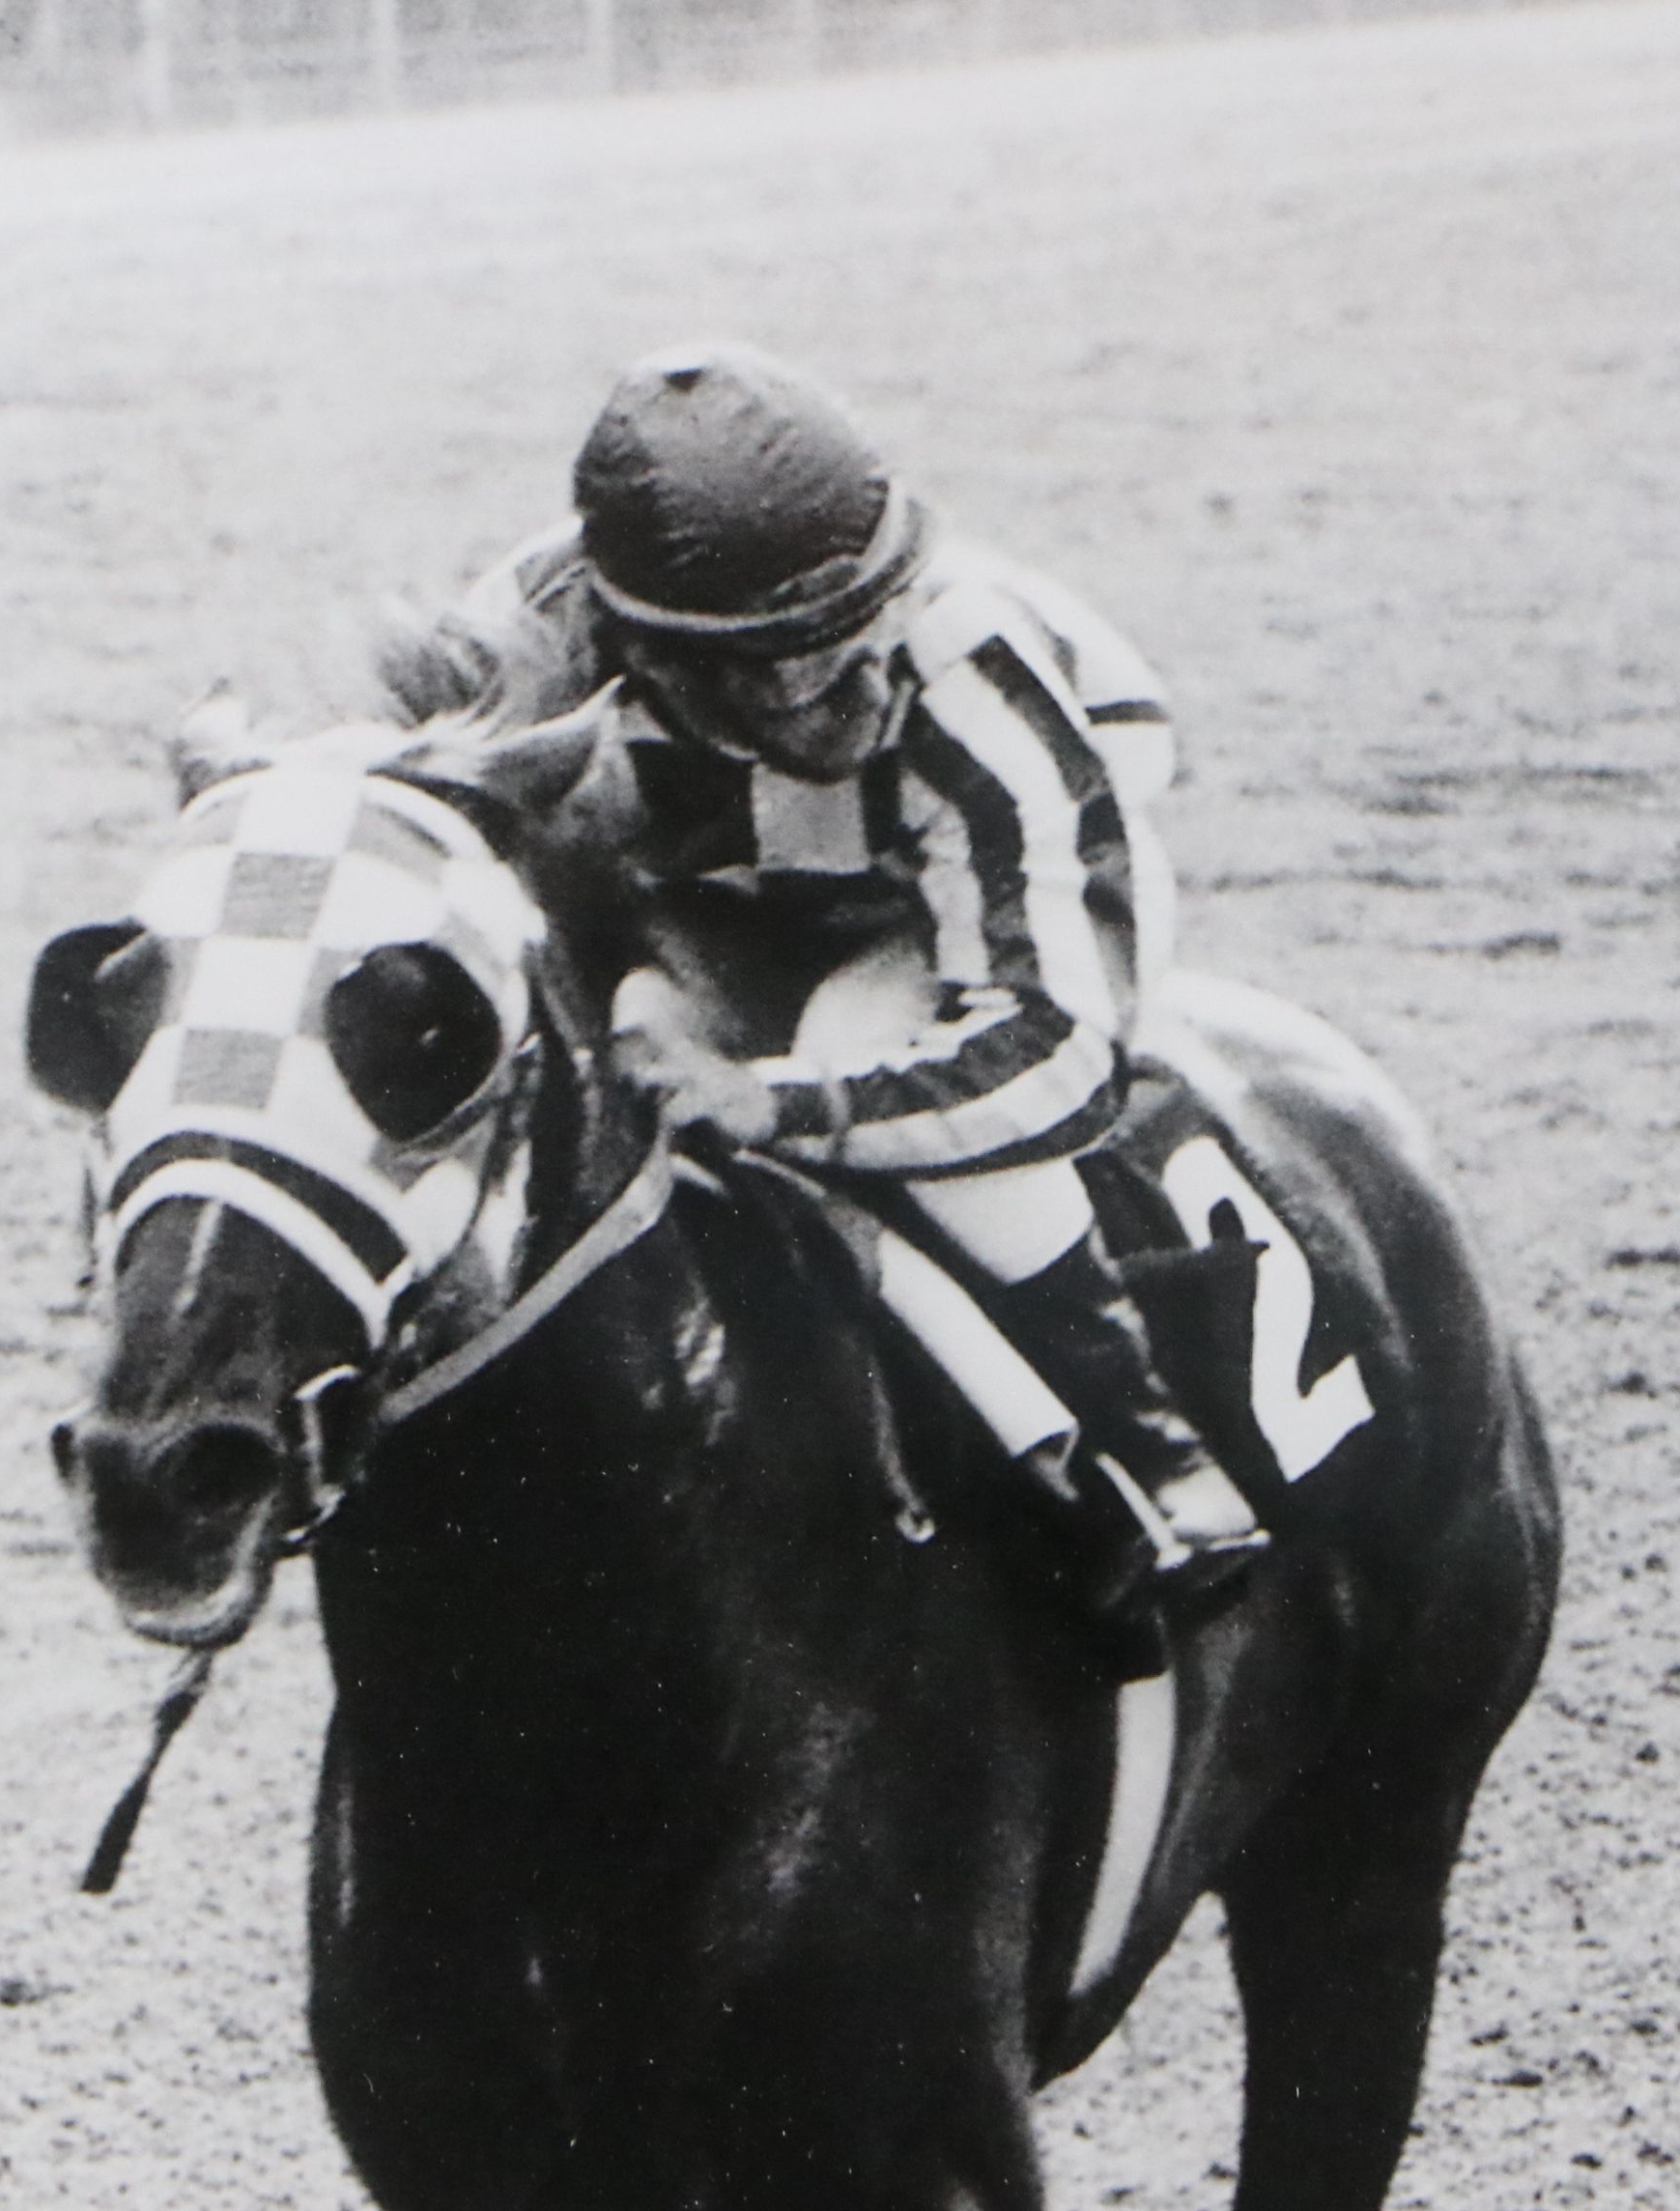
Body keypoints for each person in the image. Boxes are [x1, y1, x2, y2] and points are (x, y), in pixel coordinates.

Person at [384, 341, 1265, 1672]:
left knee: (859, 1038)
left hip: (938, 899)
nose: (838, 689)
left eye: (856, 627)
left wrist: (785, 1103)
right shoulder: (525, 646)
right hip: (695, 894)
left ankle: (1146, 1449)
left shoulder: (974, 670)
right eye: (769, 661)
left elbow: (1052, 1047)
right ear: (641, 644)